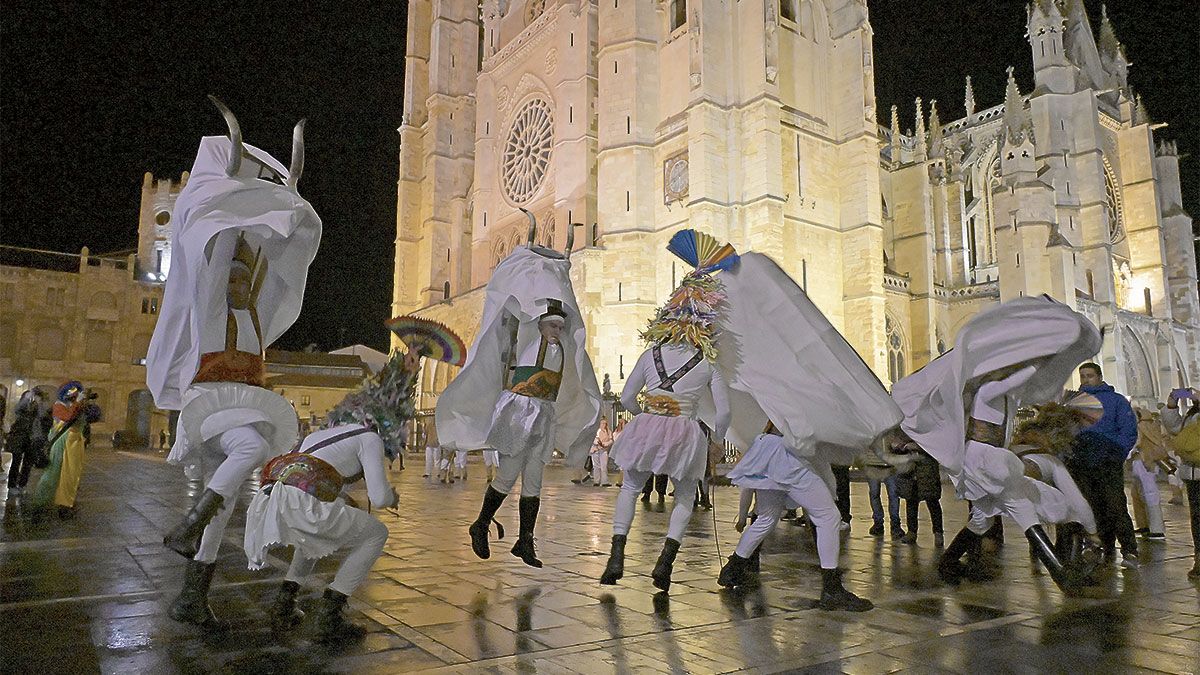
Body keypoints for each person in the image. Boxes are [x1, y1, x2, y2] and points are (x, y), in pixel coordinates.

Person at [145, 98, 322, 629]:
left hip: (243, 405)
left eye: (249, 275)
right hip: (208, 402)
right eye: (235, 275)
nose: (241, 280)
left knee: (226, 503)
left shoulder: (257, 317)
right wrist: (232, 212)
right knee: (247, 448)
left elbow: (275, 255)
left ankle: (193, 594)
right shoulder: (211, 307)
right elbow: (221, 245)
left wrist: (275, 215)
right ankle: (188, 524)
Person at [892, 297, 1104, 596]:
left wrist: (1048, 359)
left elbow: (1028, 387)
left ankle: (948, 563)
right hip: (983, 460)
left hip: (988, 459)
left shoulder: (1007, 397)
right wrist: (1041, 354)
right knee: (1023, 508)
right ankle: (1062, 576)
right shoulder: (990, 391)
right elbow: (1020, 377)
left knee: (981, 519)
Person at [437, 225, 601, 569]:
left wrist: (562, 272)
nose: (557, 331)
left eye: (559, 327)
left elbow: (566, 312)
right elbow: (514, 310)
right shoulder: (527, 336)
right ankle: (480, 523)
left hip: (543, 415)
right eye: (552, 326)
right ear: (540, 325)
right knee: (507, 475)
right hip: (519, 412)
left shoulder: (564, 346)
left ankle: (525, 541)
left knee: (535, 479)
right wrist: (528, 266)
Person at [244, 350, 417, 643]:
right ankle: (331, 612)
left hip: (274, 497)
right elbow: (379, 496)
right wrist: (393, 497)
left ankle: (284, 603)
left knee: (312, 540)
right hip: (302, 501)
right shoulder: (369, 438)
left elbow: (326, 477)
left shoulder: (320, 434)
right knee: (376, 534)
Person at [600, 232, 734, 592]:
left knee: (630, 487)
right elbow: (723, 413)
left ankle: (616, 554)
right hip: (685, 430)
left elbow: (628, 398)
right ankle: (665, 563)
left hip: (648, 424)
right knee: (686, 496)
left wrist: (646, 413)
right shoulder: (708, 362)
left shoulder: (649, 355)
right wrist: (716, 441)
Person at [719, 424, 873, 611]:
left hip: (768, 446)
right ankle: (832, 589)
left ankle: (732, 570)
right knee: (828, 516)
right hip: (788, 452)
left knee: (766, 518)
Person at [1069, 362, 1140, 568]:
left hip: (1107, 460)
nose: (1085, 379)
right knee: (1090, 506)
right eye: (1082, 376)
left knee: (1115, 505)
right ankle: (1099, 545)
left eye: (1089, 375)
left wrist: (1116, 452)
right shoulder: (1074, 402)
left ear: (1099, 376)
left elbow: (1128, 430)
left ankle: (1129, 549)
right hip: (1081, 461)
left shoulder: (1116, 401)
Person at [30, 381, 102, 519]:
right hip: (60, 443)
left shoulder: (78, 406)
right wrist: (77, 404)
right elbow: (67, 417)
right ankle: (40, 504)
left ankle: (65, 504)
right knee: (52, 474)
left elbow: (92, 417)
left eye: (77, 392)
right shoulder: (58, 405)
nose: (74, 394)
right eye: (72, 392)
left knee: (71, 475)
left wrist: (85, 404)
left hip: (75, 444)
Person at [1161, 386, 1200, 579]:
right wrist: (1171, 405)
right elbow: (1174, 428)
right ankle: (1199, 559)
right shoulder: (1191, 415)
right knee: (1197, 519)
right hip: (1193, 475)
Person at [894, 436, 944, 546]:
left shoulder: (931, 427)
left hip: (927, 468)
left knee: (932, 501)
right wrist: (899, 445)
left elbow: (936, 445)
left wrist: (918, 446)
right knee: (911, 501)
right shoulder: (905, 427)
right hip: (910, 468)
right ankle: (912, 532)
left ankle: (938, 533)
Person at [1130, 407, 1168, 540]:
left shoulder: (1142, 427)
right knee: (1139, 494)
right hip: (1143, 462)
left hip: (1144, 462)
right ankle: (1145, 525)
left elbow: (1136, 443)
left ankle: (1156, 529)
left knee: (1149, 493)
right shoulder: (1151, 425)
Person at [5, 388, 52, 493]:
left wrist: (39, 402)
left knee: (28, 464)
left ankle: (22, 484)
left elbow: (42, 415)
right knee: (16, 462)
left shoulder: (41, 406)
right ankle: (12, 485)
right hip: (20, 437)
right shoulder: (23, 407)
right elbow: (17, 410)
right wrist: (26, 399)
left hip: (34, 439)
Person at [866, 464, 904, 538]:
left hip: (887, 465)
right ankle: (885, 524)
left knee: (890, 494)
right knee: (890, 495)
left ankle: (890, 523)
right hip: (874, 465)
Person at [590, 417, 614, 487]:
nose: (604, 425)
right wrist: (597, 442)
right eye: (602, 423)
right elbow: (592, 439)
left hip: (603, 450)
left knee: (604, 466)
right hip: (595, 450)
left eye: (605, 423)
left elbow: (611, 440)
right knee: (596, 466)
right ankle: (596, 481)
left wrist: (605, 444)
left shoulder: (608, 431)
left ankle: (604, 481)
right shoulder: (595, 431)